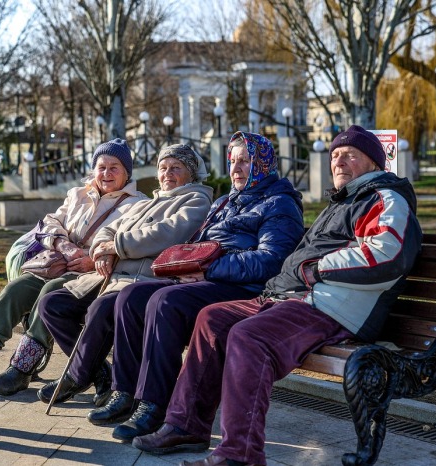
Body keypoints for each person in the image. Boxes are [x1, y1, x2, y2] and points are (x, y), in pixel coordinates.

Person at [133, 125, 423, 466]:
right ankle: (186, 426)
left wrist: (317, 269)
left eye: (351, 155)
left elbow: (386, 254)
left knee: (249, 336)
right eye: (335, 155)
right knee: (213, 318)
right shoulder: (345, 200)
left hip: (332, 306)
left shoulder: (385, 198)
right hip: (293, 297)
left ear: (373, 162)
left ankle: (240, 453)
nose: (339, 161)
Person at [88, 132, 305, 443]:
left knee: (165, 302)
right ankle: (125, 391)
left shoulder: (280, 203)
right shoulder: (224, 201)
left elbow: (271, 260)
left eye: (245, 161)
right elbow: (197, 246)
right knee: (131, 296)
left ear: (263, 164)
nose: (236, 168)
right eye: (232, 161)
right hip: (207, 279)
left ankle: (154, 404)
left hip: (245, 288)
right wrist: (189, 267)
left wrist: (208, 269)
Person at [0, 139, 146, 399]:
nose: (106, 174)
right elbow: (50, 222)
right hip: (60, 263)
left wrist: (91, 257)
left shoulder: (138, 203)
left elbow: (129, 243)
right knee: (17, 288)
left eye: (114, 168)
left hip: (94, 274)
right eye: (101, 167)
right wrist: (63, 244)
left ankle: (22, 368)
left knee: (50, 292)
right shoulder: (78, 194)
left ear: (127, 173)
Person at [36, 144, 214, 406]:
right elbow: (108, 232)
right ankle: (96, 372)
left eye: (176, 168)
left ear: (191, 173)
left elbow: (167, 233)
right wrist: (104, 250)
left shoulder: (196, 199)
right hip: (110, 276)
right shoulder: (150, 201)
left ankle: (78, 376)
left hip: (141, 280)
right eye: (163, 168)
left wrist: (117, 246)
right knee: (51, 304)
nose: (167, 174)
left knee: (101, 309)